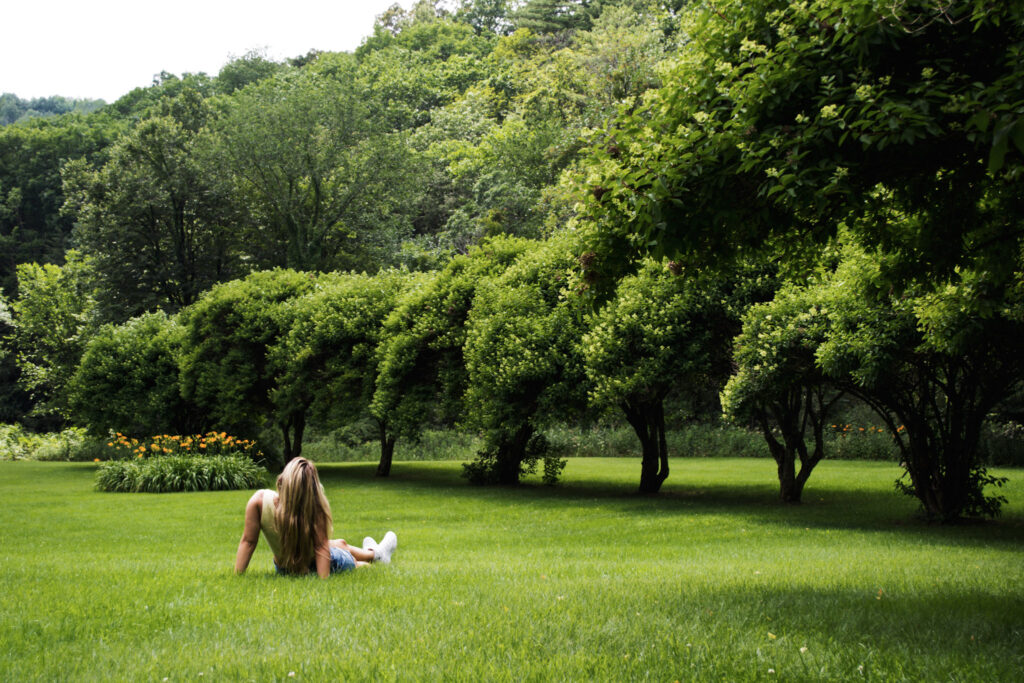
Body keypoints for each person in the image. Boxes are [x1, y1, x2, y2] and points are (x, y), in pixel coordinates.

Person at [234, 457, 397, 578]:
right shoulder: (314, 506)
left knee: (339, 543)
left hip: (284, 569)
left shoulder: (259, 501)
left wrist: (238, 576)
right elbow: (320, 549)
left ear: (282, 480)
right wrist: (323, 580)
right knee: (348, 556)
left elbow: (248, 542)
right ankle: (373, 557)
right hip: (316, 564)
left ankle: (376, 553)